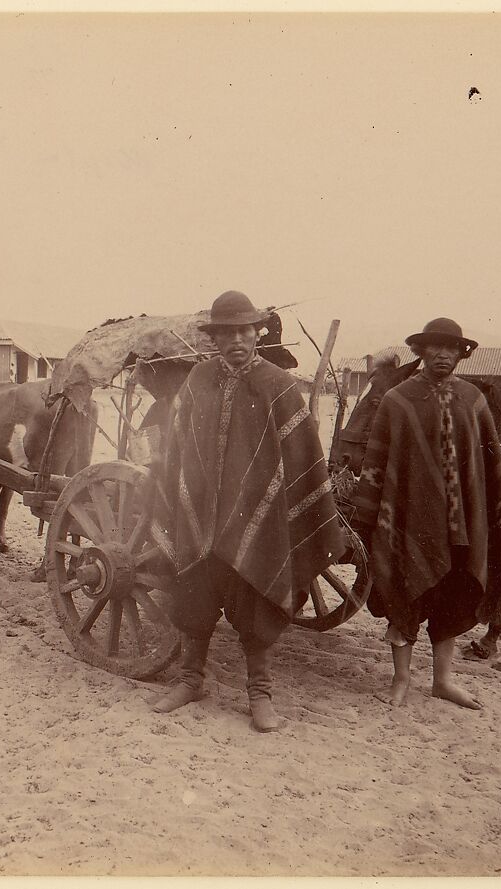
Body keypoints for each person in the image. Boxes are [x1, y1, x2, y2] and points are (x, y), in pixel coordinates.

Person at [150, 291, 344, 732]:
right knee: (195, 596)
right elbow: (178, 446)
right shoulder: (198, 380)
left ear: (257, 333)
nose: (236, 340)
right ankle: (190, 679)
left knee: (255, 604)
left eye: (244, 331)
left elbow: (301, 456)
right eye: (226, 333)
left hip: (259, 520)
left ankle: (260, 693)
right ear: (215, 337)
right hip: (201, 516)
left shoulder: (278, 385)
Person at [352, 318, 501, 710]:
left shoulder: (473, 401)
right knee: (404, 592)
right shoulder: (397, 400)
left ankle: (443, 680)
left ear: (461, 353)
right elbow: (376, 460)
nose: (443, 354)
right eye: (435, 347)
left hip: (461, 524)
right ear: (421, 351)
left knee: (453, 593)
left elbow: (492, 464)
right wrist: (367, 516)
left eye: (451, 348)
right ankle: (401, 680)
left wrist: (499, 513)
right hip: (407, 520)